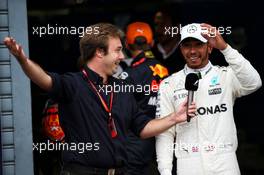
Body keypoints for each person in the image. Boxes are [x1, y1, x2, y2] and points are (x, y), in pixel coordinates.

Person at [4, 23, 196, 175]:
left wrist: (174, 117)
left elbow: (143, 128)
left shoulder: (122, 87)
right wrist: (22, 59)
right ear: (99, 52)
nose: (122, 56)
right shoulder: (73, 84)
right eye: (117, 50)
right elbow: (44, 79)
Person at [155, 23, 262, 175]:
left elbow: (254, 83)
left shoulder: (226, 75)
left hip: (225, 162)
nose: (192, 51)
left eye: (199, 44)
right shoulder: (168, 84)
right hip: (188, 164)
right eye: (187, 45)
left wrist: (225, 48)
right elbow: (165, 132)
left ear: (210, 47)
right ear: (181, 49)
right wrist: (165, 171)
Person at [120, 22, 168, 175]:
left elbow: (120, 111)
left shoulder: (128, 75)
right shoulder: (165, 70)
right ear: (152, 43)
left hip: (134, 145)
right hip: (162, 141)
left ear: (126, 44)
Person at [152, 6, 185, 75]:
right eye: (156, 24)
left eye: (163, 25)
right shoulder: (149, 54)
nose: (158, 29)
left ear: (177, 29)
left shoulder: (188, 53)